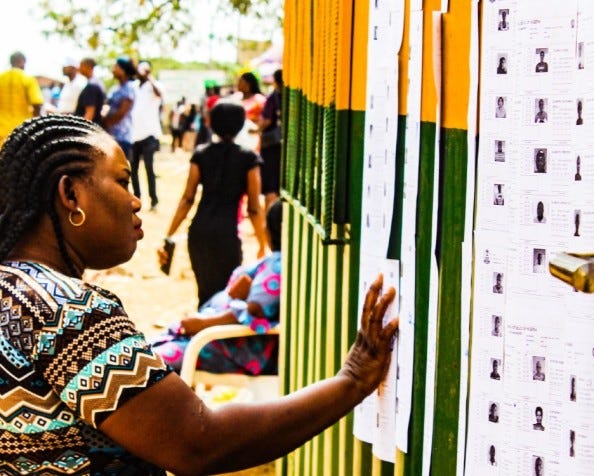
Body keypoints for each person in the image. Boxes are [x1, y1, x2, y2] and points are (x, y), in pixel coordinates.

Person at [0, 114, 399, 474]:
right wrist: (351, 381)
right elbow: (198, 442)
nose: (136, 200)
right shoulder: (69, 311)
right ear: (70, 195)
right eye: (122, 181)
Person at [152, 200, 283, 373]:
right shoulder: (278, 262)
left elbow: (255, 310)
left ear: (269, 231)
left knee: (151, 364)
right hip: (221, 340)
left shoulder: (278, 265)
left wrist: (202, 324)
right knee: (148, 356)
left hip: (234, 347)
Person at [161, 103, 268, 307]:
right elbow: (254, 208)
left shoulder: (201, 154)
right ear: (240, 125)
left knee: (204, 292)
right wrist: (263, 244)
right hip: (228, 234)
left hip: (199, 232)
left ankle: (202, 329)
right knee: (226, 296)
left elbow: (188, 198)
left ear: (212, 124)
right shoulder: (249, 158)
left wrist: (170, 233)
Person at [131, 60, 163, 211]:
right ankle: (137, 198)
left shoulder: (154, 85)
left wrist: (150, 78)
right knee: (133, 169)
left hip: (149, 134)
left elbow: (160, 95)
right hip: (134, 134)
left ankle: (154, 199)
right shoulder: (134, 87)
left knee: (149, 168)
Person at [0, 51, 43, 144]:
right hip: (21, 131)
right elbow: (37, 103)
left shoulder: (1, 78)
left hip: (1, 130)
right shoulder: (27, 78)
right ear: (23, 62)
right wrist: (36, 126)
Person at [259, 69, 284, 209]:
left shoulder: (273, 97)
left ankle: (269, 217)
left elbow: (267, 120)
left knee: (270, 184)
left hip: (271, 146)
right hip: (287, 145)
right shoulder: (292, 97)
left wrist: (257, 129)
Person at [103, 56, 136, 159]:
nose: (113, 70)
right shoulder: (115, 89)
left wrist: (106, 123)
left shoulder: (129, 88)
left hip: (122, 137)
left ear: (123, 70)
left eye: (116, 67)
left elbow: (122, 112)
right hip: (111, 136)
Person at [74, 57, 106, 125]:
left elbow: (89, 113)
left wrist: (80, 129)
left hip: (87, 128)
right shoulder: (97, 83)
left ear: (88, 67)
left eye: (81, 66)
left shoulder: (92, 86)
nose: (79, 68)